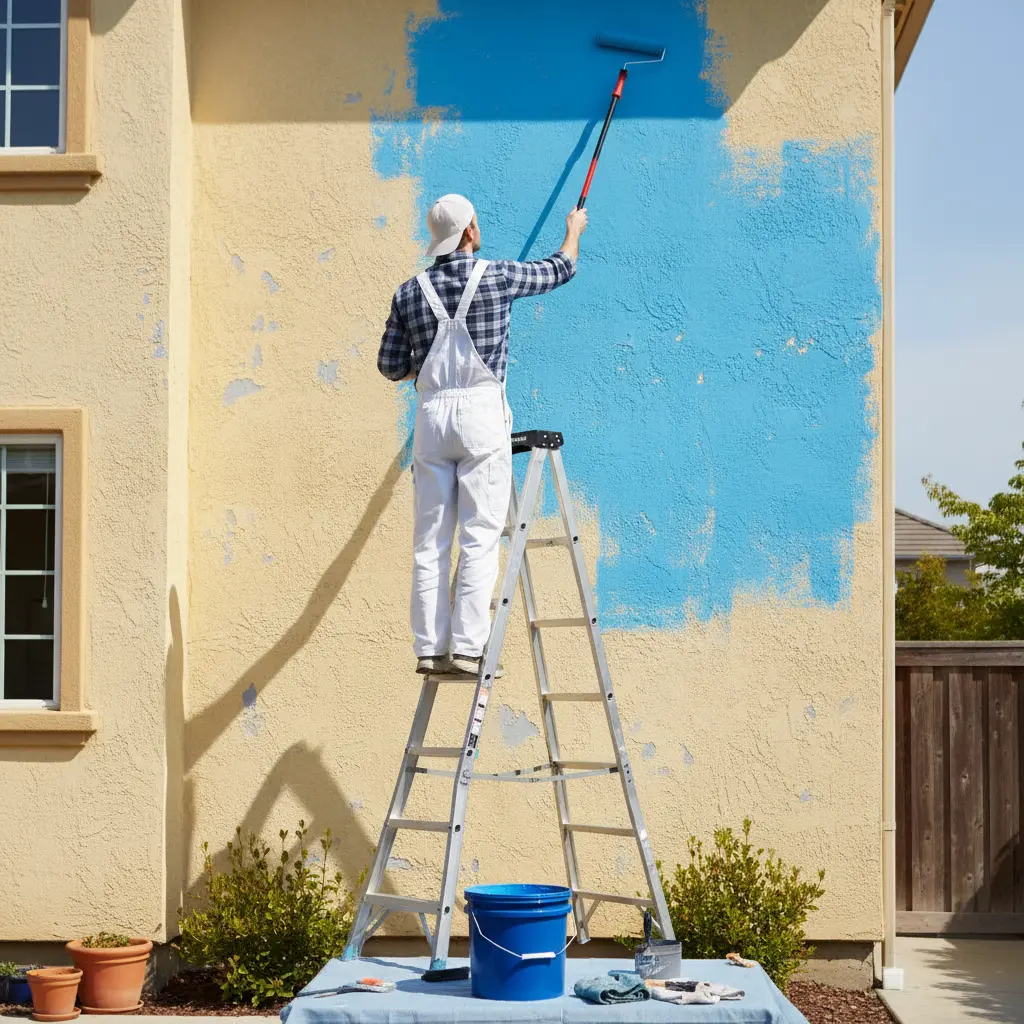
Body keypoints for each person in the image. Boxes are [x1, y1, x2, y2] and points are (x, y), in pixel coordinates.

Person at [378, 194, 588, 676]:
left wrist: (423, 367)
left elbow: (390, 366)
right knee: (479, 536)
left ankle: (429, 649)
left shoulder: (409, 293)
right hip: (481, 414)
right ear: (470, 231)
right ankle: (469, 648)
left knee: (429, 541)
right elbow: (559, 269)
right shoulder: (497, 275)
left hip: (432, 418)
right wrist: (573, 229)